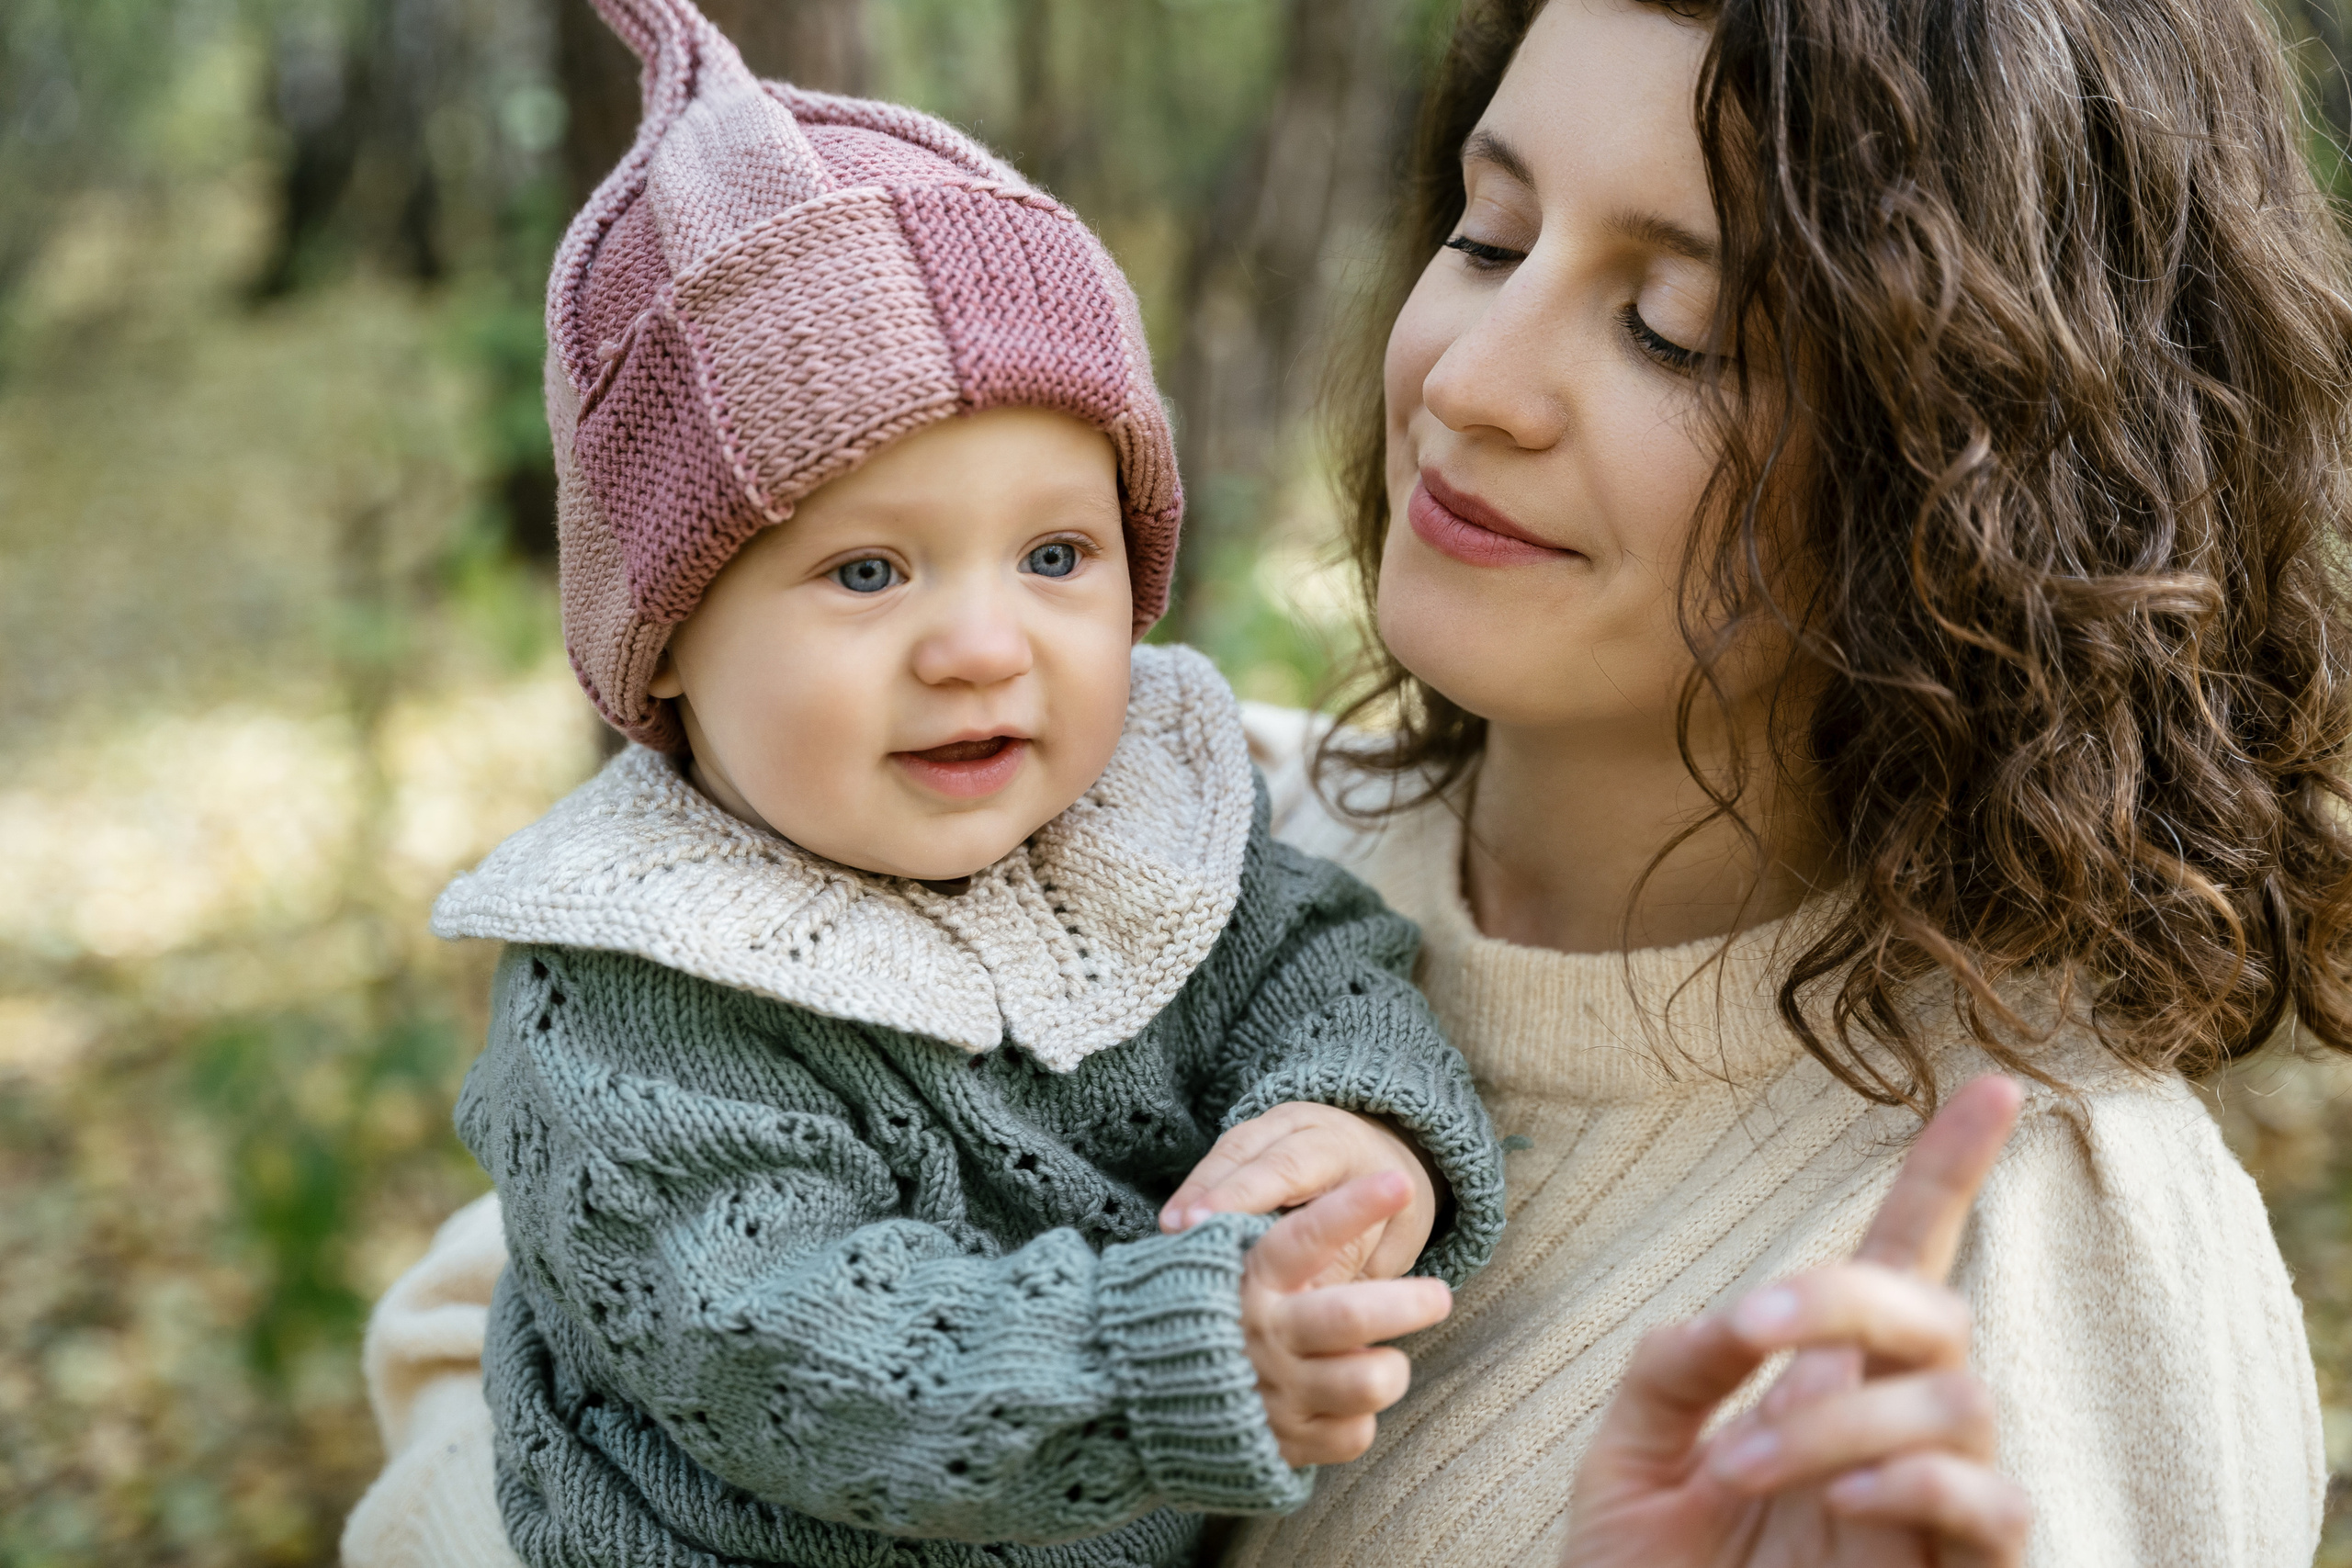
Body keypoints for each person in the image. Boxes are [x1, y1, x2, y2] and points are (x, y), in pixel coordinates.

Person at [350, 0, 2335, 1563]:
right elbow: (513, 1313)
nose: (1467, 374)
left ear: (1970, 487)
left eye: (1672, 325)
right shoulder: (1147, 836)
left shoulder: (2044, 1250)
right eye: (1485, 230)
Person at [344, 2, 1518, 1564]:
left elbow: (1323, 962)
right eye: (867, 569)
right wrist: (1167, 1358)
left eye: (1054, 555)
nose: (981, 645)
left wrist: (1351, 1119)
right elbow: (790, 1348)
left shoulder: (1147, 827)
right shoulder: (634, 987)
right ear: (669, 640)